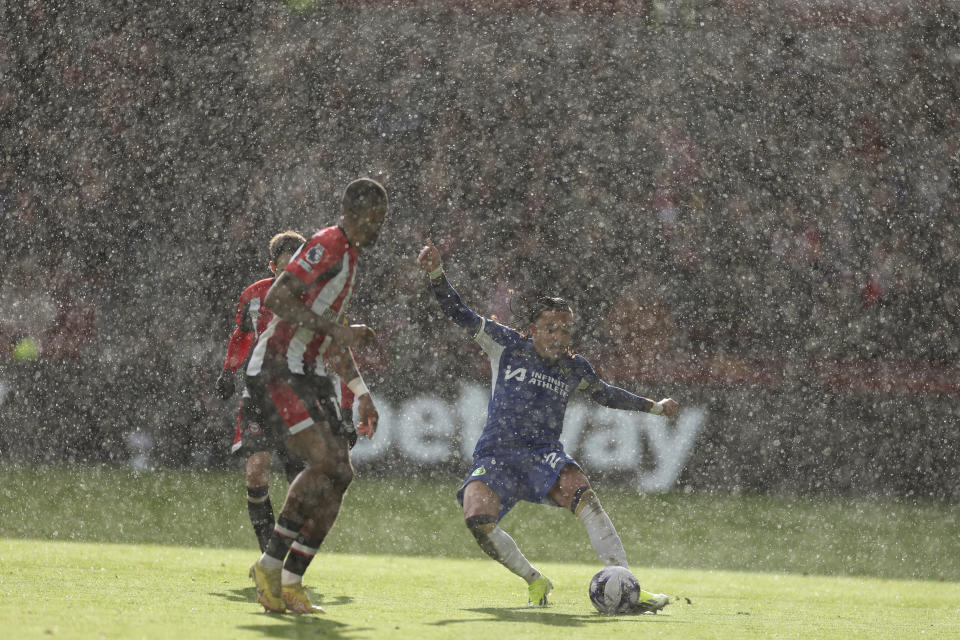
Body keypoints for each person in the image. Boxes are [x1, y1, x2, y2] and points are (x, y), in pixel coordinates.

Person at [417, 238, 678, 612]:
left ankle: (626, 583)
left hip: (543, 454)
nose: (559, 336)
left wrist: (655, 408)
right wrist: (437, 275)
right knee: (476, 518)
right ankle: (535, 580)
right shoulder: (505, 345)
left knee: (584, 494)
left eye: (566, 329)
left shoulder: (575, 367)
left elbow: (604, 394)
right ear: (533, 329)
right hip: (497, 454)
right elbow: (460, 312)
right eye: (551, 328)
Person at [247, 178, 388, 615]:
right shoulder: (328, 243)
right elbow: (276, 297)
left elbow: (331, 338)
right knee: (324, 464)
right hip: (276, 368)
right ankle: (269, 566)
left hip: (309, 374)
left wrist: (361, 392)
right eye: (375, 218)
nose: (379, 227)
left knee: (341, 475)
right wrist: (338, 329)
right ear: (352, 213)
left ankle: (291, 581)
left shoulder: (350, 258)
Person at [214, 230, 356, 554]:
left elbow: (343, 355)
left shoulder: (323, 301)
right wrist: (228, 369)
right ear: (272, 267)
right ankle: (269, 555)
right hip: (261, 395)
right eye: (283, 266)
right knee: (256, 469)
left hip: (300, 399)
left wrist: (347, 411)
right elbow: (241, 334)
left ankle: (286, 554)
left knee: (304, 485)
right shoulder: (254, 297)